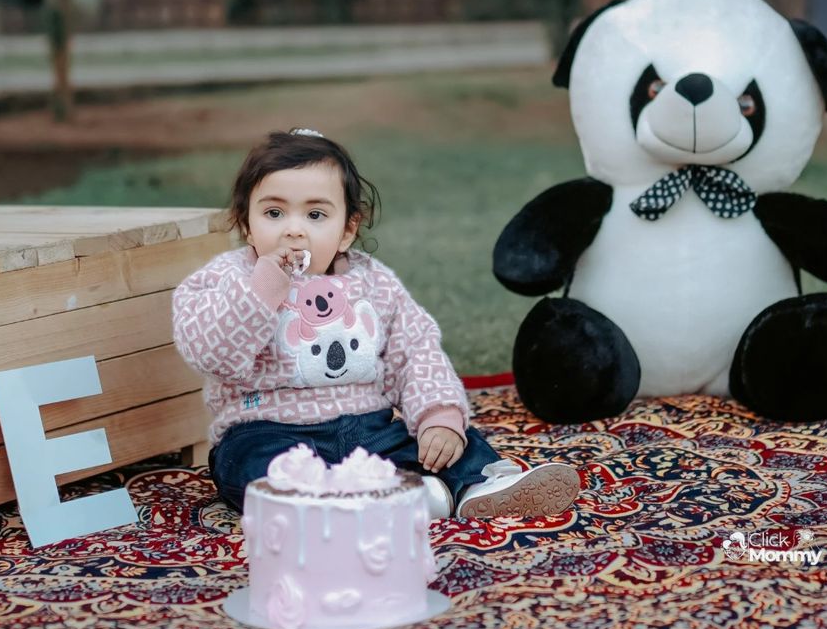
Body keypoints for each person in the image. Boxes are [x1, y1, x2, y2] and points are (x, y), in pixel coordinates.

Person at [172, 128, 582, 520]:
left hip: (367, 428)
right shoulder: (228, 279)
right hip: (266, 429)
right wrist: (261, 292)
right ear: (247, 224)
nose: (293, 230)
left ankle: (480, 484)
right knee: (249, 468)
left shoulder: (373, 283)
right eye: (274, 213)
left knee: (446, 441)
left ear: (347, 230)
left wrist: (437, 416)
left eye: (315, 214)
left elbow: (415, 352)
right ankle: (350, 499)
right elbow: (211, 354)